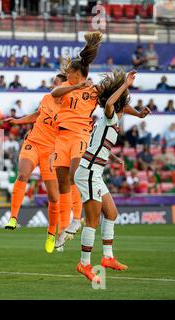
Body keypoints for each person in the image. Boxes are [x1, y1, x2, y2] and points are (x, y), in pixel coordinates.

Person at [74, 70, 149, 283]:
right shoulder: (109, 115)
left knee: (112, 213)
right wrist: (125, 85)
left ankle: (107, 258)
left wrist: (139, 114)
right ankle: (84, 264)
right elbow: (110, 104)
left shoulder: (113, 119)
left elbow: (119, 109)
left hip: (94, 172)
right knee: (92, 221)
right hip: (88, 172)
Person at [50, 31, 103, 250]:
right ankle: (65, 226)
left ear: (77, 72)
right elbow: (55, 93)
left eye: (69, 72)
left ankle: (76, 218)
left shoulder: (94, 90)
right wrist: (74, 86)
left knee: (75, 174)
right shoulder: (66, 88)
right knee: (62, 181)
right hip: (61, 137)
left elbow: (111, 100)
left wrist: (135, 111)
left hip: (80, 136)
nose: (66, 75)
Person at [4, 74, 66, 253]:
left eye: (56, 84)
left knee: (54, 197)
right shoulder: (47, 98)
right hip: (34, 143)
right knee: (23, 174)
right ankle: (13, 217)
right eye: (53, 83)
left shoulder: (70, 109)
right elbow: (38, 114)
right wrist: (19, 121)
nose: (52, 86)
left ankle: (51, 234)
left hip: (51, 152)